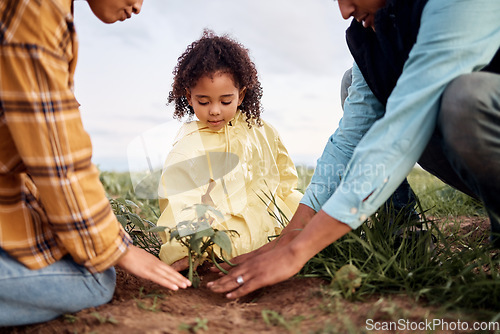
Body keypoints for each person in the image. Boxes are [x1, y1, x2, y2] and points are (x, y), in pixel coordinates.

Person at [207, 0, 500, 298]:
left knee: (466, 100)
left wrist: (299, 252)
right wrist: (289, 239)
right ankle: (403, 233)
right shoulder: (372, 34)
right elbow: (350, 138)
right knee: (355, 81)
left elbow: (406, 121)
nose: (344, 10)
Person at [0, 0, 190, 327]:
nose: (138, 7)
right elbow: (57, 153)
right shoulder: (37, 12)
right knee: (94, 280)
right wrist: (118, 249)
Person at [156, 30, 303, 271]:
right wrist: (185, 251)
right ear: (189, 97)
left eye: (225, 101)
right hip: (227, 235)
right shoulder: (190, 146)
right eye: (204, 101)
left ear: (241, 95)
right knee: (218, 244)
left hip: (271, 224)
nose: (215, 110)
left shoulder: (263, 130)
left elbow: (285, 179)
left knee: (303, 206)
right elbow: (179, 203)